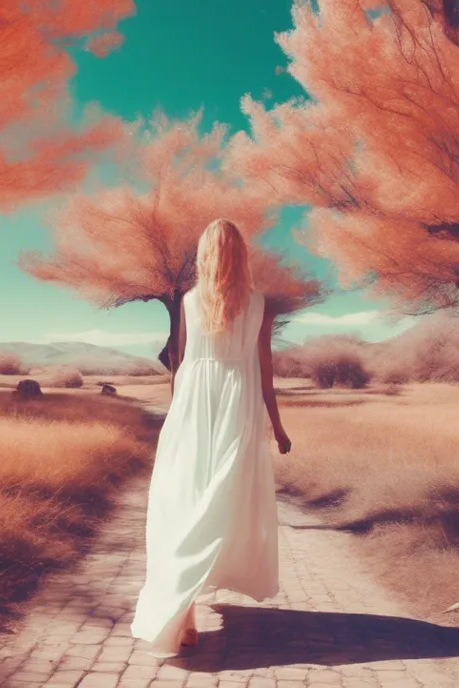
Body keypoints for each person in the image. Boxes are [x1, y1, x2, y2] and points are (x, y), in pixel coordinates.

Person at [130, 218, 293, 657]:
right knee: (218, 499)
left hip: (193, 406)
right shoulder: (260, 304)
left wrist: (176, 416)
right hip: (237, 404)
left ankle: (180, 609)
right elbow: (264, 372)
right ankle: (180, 603)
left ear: (205, 254)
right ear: (241, 255)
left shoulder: (187, 301)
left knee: (184, 497)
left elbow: (183, 364)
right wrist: (276, 425)